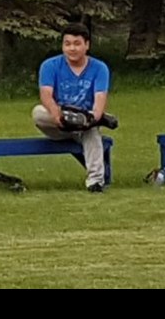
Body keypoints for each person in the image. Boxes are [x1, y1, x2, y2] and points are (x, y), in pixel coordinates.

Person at [32, 23, 111, 193]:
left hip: (84, 123)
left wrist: (94, 117)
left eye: (76, 43)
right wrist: (58, 116)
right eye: (67, 44)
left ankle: (95, 182)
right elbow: (46, 95)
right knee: (38, 113)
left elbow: (99, 99)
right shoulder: (50, 65)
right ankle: (78, 119)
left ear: (87, 45)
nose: (72, 48)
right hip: (58, 122)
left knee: (92, 130)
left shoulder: (100, 68)